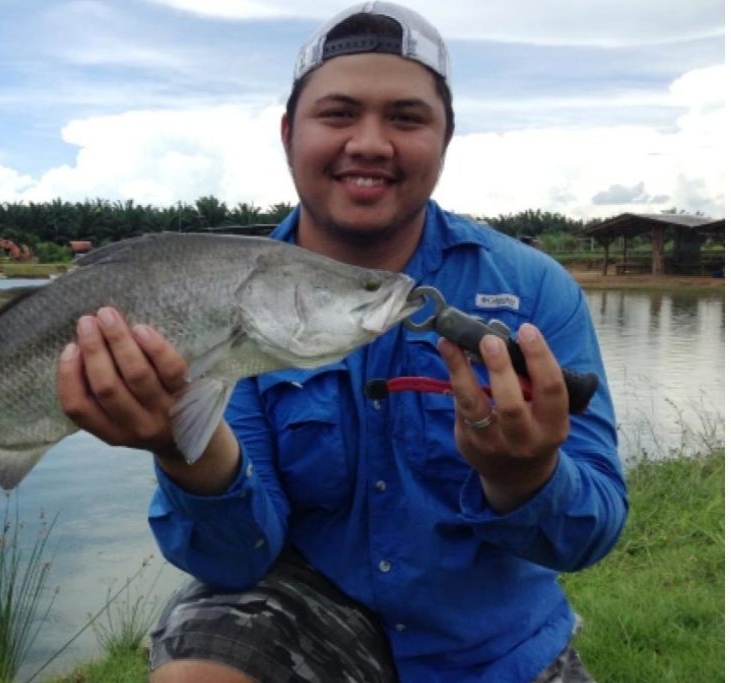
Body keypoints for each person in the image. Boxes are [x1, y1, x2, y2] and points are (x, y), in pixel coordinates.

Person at [56, 2, 628, 681]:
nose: (370, 142)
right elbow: (235, 559)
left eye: (407, 118)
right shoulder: (225, 300)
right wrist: (185, 450)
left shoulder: (533, 288)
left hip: (496, 646)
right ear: (288, 133)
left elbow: (592, 529)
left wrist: (524, 474)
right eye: (338, 113)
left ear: (446, 139)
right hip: (310, 617)